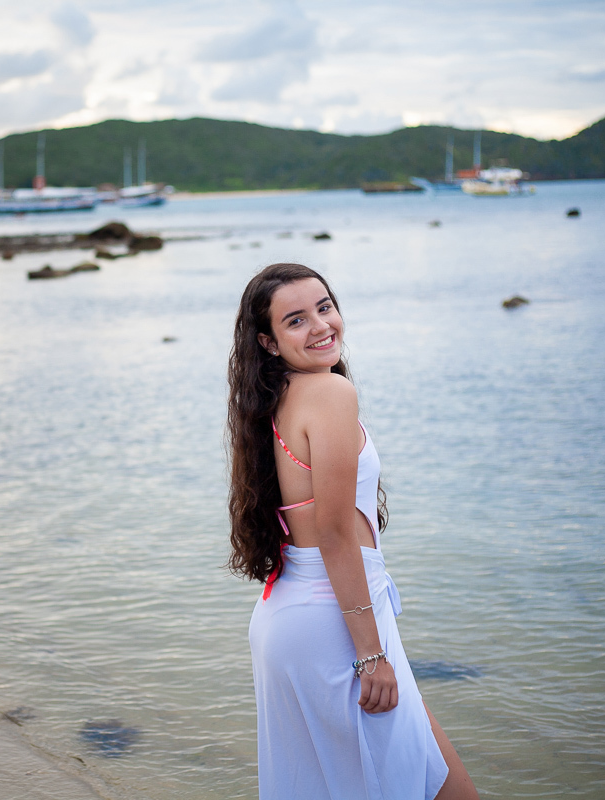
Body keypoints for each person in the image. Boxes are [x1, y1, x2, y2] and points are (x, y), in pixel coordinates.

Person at [227, 263, 479, 799]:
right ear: (269, 343)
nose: (321, 326)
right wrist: (371, 654)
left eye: (325, 307)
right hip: (335, 624)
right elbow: (336, 533)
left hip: (297, 615)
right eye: (296, 320)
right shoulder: (329, 393)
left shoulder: (277, 399)